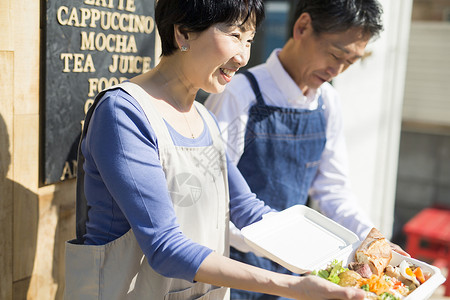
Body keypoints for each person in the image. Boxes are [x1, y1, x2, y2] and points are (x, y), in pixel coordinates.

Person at [64, 0, 367, 299]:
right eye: (235, 36)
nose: (243, 56)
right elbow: (164, 246)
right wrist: (292, 286)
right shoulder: (123, 113)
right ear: (183, 33)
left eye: (249, 40)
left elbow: (249, 211)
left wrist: (349, 256)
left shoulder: (204, 118)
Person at [205, 1, 408, 299]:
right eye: (336, 54)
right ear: (302, 27)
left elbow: (332, 190)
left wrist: (370, 237)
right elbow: (212, 198)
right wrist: (284, 244)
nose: (337, 70)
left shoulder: (328, 102)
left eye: (350, 62)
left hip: (299, 273)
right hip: (237, 271)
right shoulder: (240, 94)